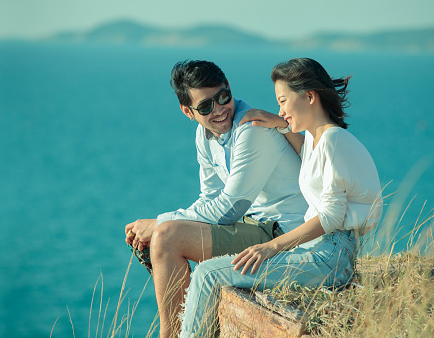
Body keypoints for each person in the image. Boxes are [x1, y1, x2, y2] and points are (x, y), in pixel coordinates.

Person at [179, 58, 384, 337]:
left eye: (283, 101)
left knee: (208, 274)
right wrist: (281, 124)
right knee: (210, 272)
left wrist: (272, 247)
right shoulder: (317, 139)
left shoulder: (334, 141)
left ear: (309, 96)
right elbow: (310, 155)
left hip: (330, 257)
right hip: (316, 250)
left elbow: (331, 217)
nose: (281, 109)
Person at [124, 60, 308, 338]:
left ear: (229, 88)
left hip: (284, 236)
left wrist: (160, 222)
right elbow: (209, 196)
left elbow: (229, 209)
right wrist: (163, 224)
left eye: (223, 97)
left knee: (167, 237)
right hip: (256, 226)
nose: (220, 110)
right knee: (167, 234)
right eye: (206, 107)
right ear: (188, 112)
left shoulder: (252, 128)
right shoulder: (205, 134)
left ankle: (170, 335)